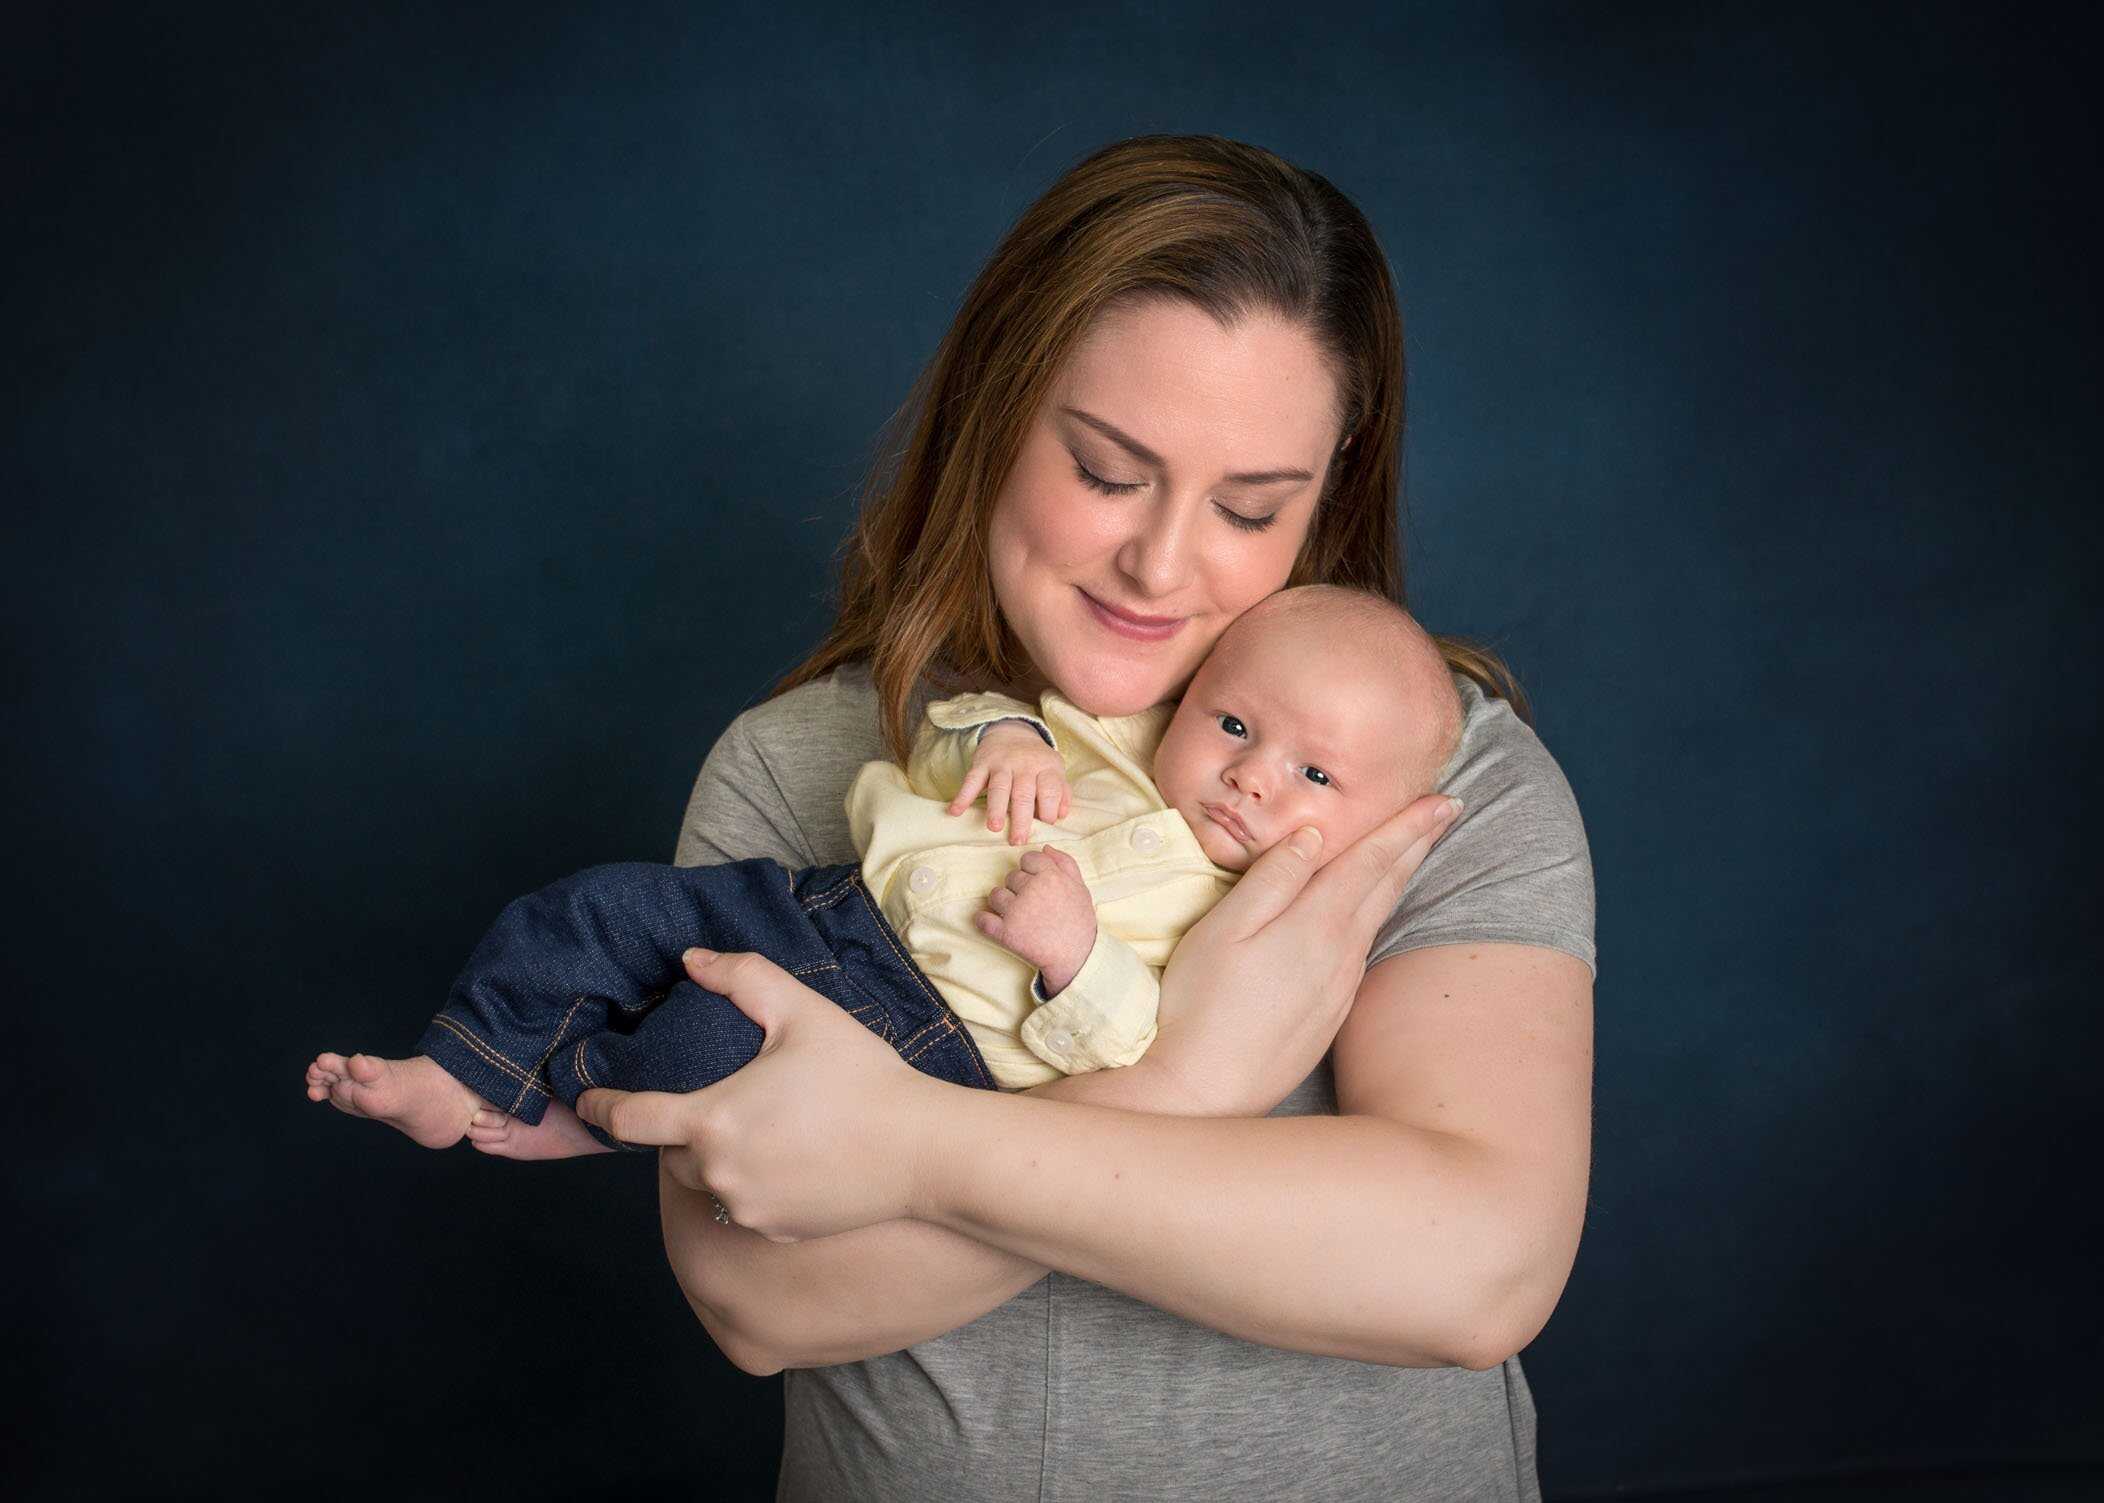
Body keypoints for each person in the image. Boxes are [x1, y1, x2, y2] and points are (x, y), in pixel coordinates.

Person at [588, 133, 1592, 1501]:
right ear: (995, 414)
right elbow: (763, 1300)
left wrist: (909, 1146)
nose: (1161, 563)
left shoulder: (1423, 773)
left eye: (1251, 507)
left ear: (1331, 487)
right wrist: (1193, 1076)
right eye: (1111, 472)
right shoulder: (797, 769)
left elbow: (1476, 1265)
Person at [303, 585, 1465, 1158]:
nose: (1254, 779)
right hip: (819, 904)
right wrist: (1004, 738)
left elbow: (1139, 1049)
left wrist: (1074, 958)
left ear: (1377, 826)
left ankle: (569, 1115)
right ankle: (462, 1064)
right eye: (1233, 725)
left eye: (1317, 779)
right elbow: (952, 721)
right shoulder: (1107, 744)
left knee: (701, 1056)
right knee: (600, 907)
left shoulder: (1243, 920)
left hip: (916, 1038)